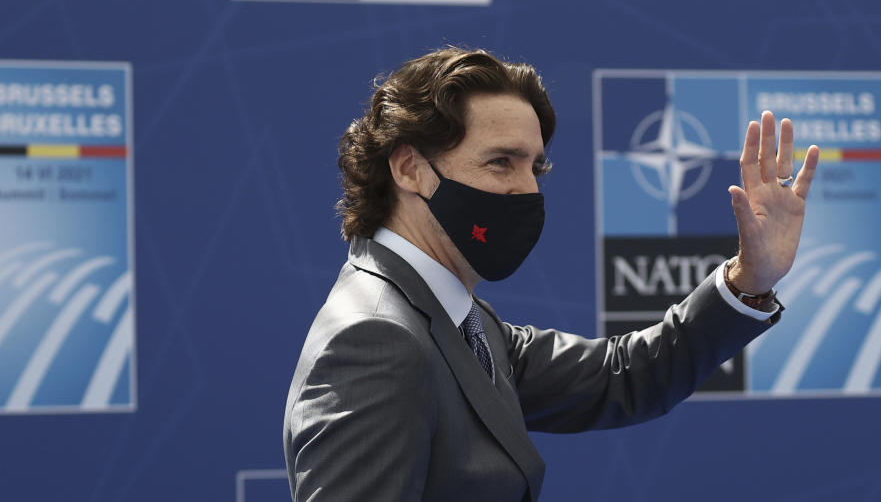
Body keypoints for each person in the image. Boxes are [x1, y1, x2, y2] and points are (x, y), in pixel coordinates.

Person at [283, 47, 819, 501]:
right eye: (501, 162)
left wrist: (750, 277)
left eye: (534, 167)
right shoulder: (377, 339)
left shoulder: (455, 318)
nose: (528, 189)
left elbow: (623, 378)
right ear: (409, 169)